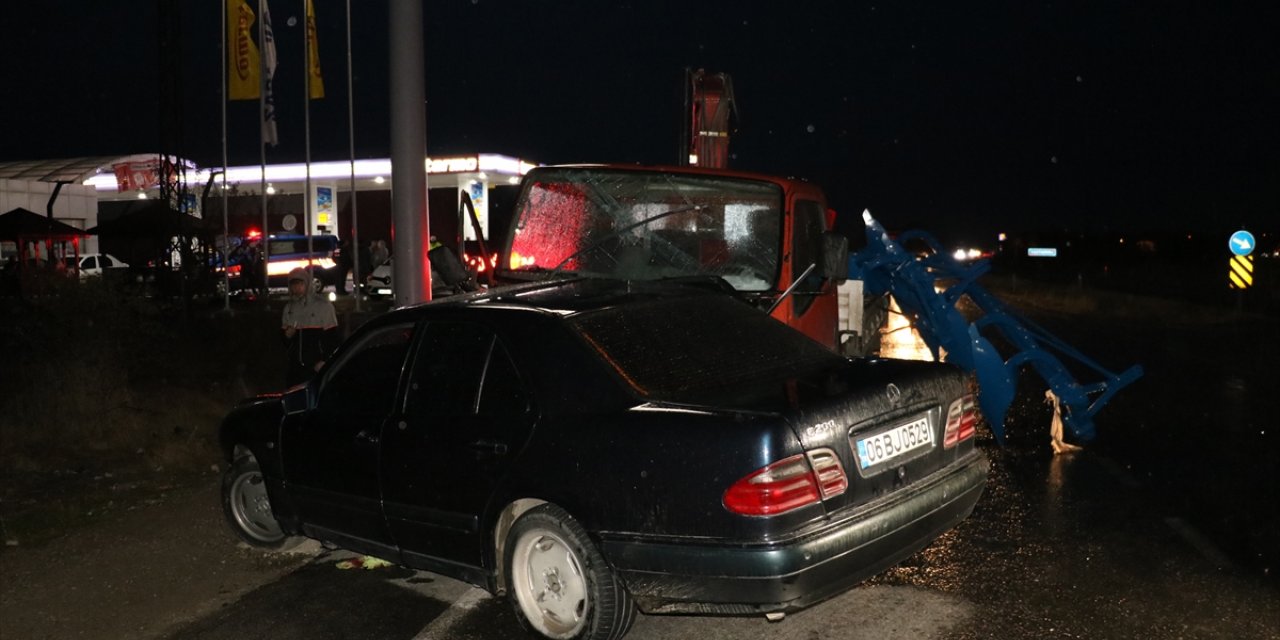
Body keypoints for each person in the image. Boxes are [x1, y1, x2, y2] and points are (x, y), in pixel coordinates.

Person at [281, 267, 340, 387]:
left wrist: (324, 361)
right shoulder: (289, 308)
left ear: (307, 283)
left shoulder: (323, 306)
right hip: (296, 368)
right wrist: (286, 336)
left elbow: (332, 337)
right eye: (293, 284)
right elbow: (284, 342)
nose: (296, 288)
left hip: (317, 367)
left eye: (300, 283)